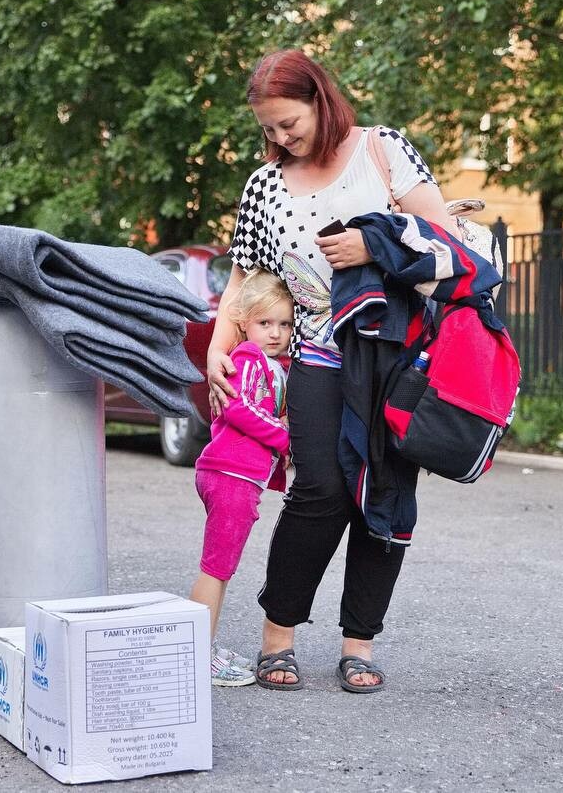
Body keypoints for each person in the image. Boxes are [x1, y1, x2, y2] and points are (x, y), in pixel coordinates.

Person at [207, 48, 449, 693]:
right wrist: (216, 349)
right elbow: (245, 282)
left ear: (321, 99)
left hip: (399, 361)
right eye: (270, 129)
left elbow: (449, 239)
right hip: (317, 356)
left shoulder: (383, 151)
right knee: (321, 489)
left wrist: (376, 244)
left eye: (290, 123)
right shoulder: (265, 185)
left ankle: (358, 643)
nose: (282, 138)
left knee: (385, 496)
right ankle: (278, 635)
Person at [189, 270, 294, 687]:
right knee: (215, 570)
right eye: (265, 323)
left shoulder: (271, 364)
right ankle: (197, 657)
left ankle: (203, 648)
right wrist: (285, 438)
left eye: (284, 324)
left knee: (221, 568)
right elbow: (237, 409)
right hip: (230, 475)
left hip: (236, 476)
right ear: (245, 323)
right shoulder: (249, 359)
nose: (276, 333)